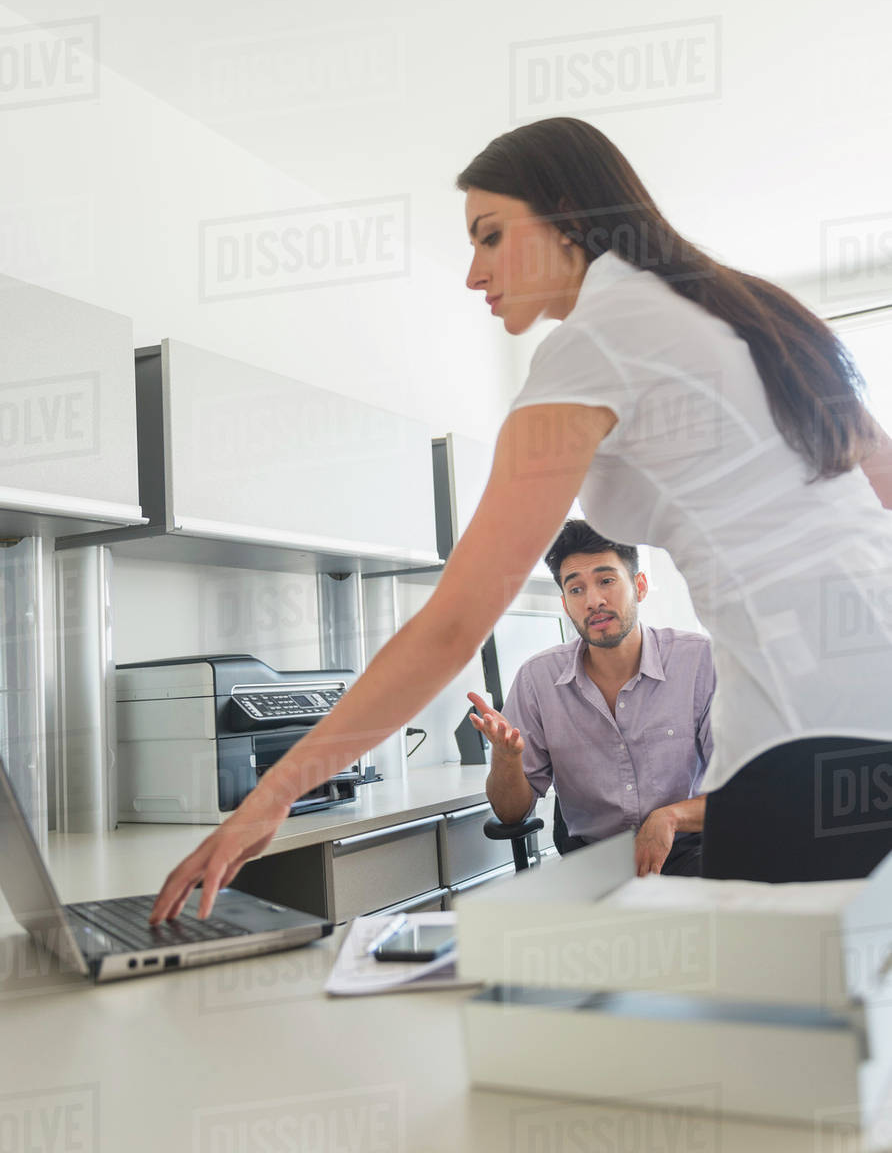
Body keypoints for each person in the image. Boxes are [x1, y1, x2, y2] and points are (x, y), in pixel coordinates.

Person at [151, 116, 892, 922]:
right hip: (860, 717)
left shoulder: (596, 341)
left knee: (788, 998)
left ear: (567, 215)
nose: (475, 271)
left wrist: (272, 795)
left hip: (809, 736)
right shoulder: (751, 313)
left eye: (492, 235)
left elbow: (454, 624)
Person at [479, 520, 714, 877]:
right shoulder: (536, 680)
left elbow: (749, 788)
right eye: (576, 589)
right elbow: (510, 814)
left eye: (606, 581)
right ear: (565, 603)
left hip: (690, 853)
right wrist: (506, 761)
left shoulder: (699, 661)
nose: (593, 601)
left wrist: (670, 817)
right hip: (592, 868)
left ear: (639, 586)